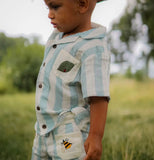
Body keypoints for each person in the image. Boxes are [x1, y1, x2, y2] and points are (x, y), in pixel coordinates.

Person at [31, 0, 110, 159]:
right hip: (42, 131)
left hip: (69, 137)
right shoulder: (56, 36)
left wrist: (95, 136)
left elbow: (98, 96)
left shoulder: (92, 48)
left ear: (82, 5)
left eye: (55, 7)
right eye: (48, 7)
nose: (49, 14)